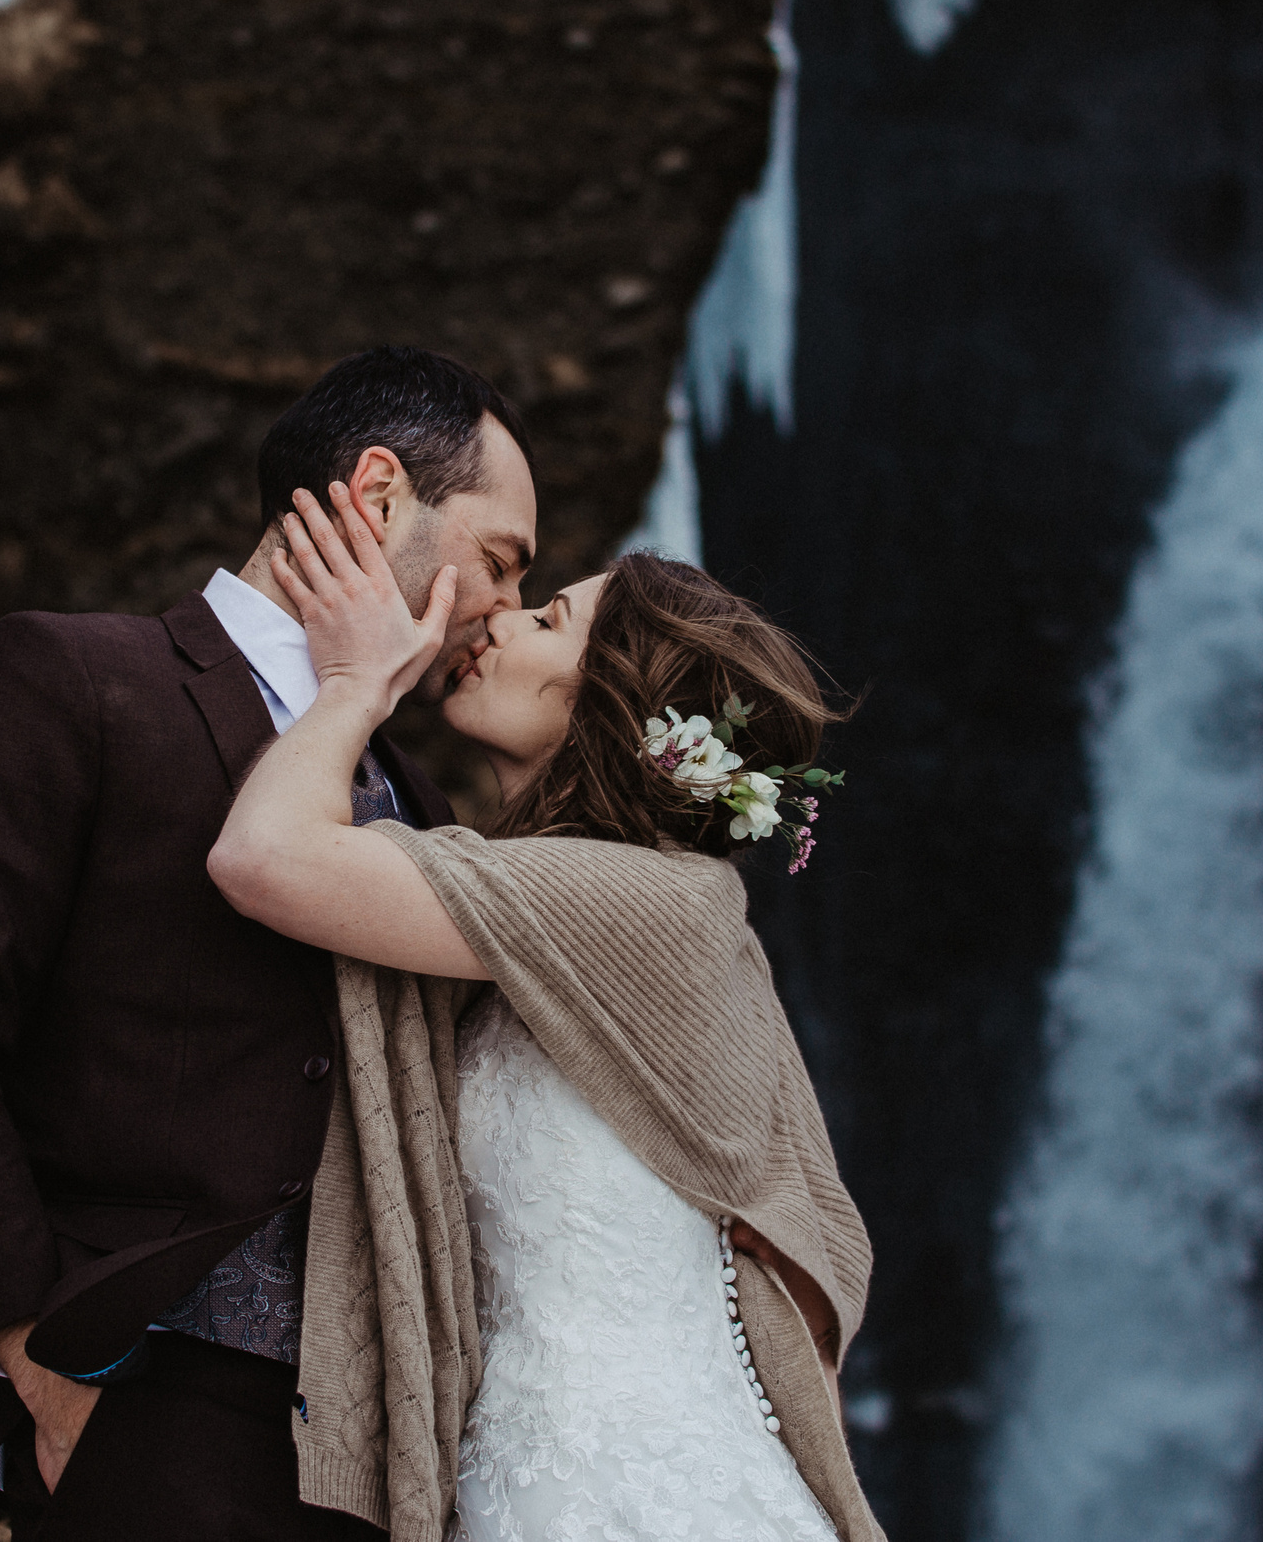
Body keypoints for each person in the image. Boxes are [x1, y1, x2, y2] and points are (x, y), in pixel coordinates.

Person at [0, 347, 538, 1540]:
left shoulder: (416, 794)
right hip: (129, 1383)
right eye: (501, 561)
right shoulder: (77, 678)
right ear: (377, 496)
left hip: (358, 1447)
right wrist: (32, 1369)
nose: (505, 611)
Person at [207, 485, 886, 1542]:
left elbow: (263, 860)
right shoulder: (557, 913)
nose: (500, 619)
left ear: (605, 699)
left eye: (548, 616)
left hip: (637, 1494)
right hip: (527, 1483)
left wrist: (351, 685)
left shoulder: (643, 901)